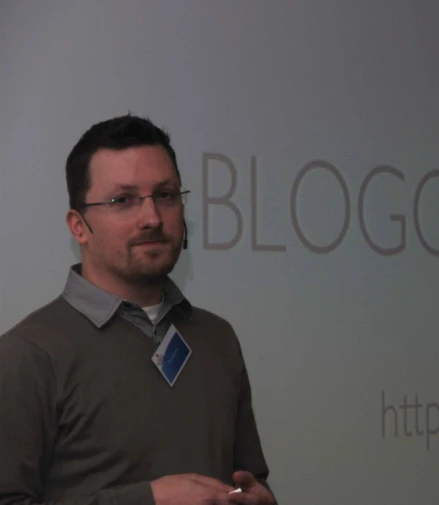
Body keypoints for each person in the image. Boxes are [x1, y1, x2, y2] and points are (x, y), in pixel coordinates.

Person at [0, 115, 278, 505]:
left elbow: (252, 482)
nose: (151, 218)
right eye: (123, 200)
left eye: (165, 195)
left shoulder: (217, 338)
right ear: (78, 226)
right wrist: (147, 501)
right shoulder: (28, 355)